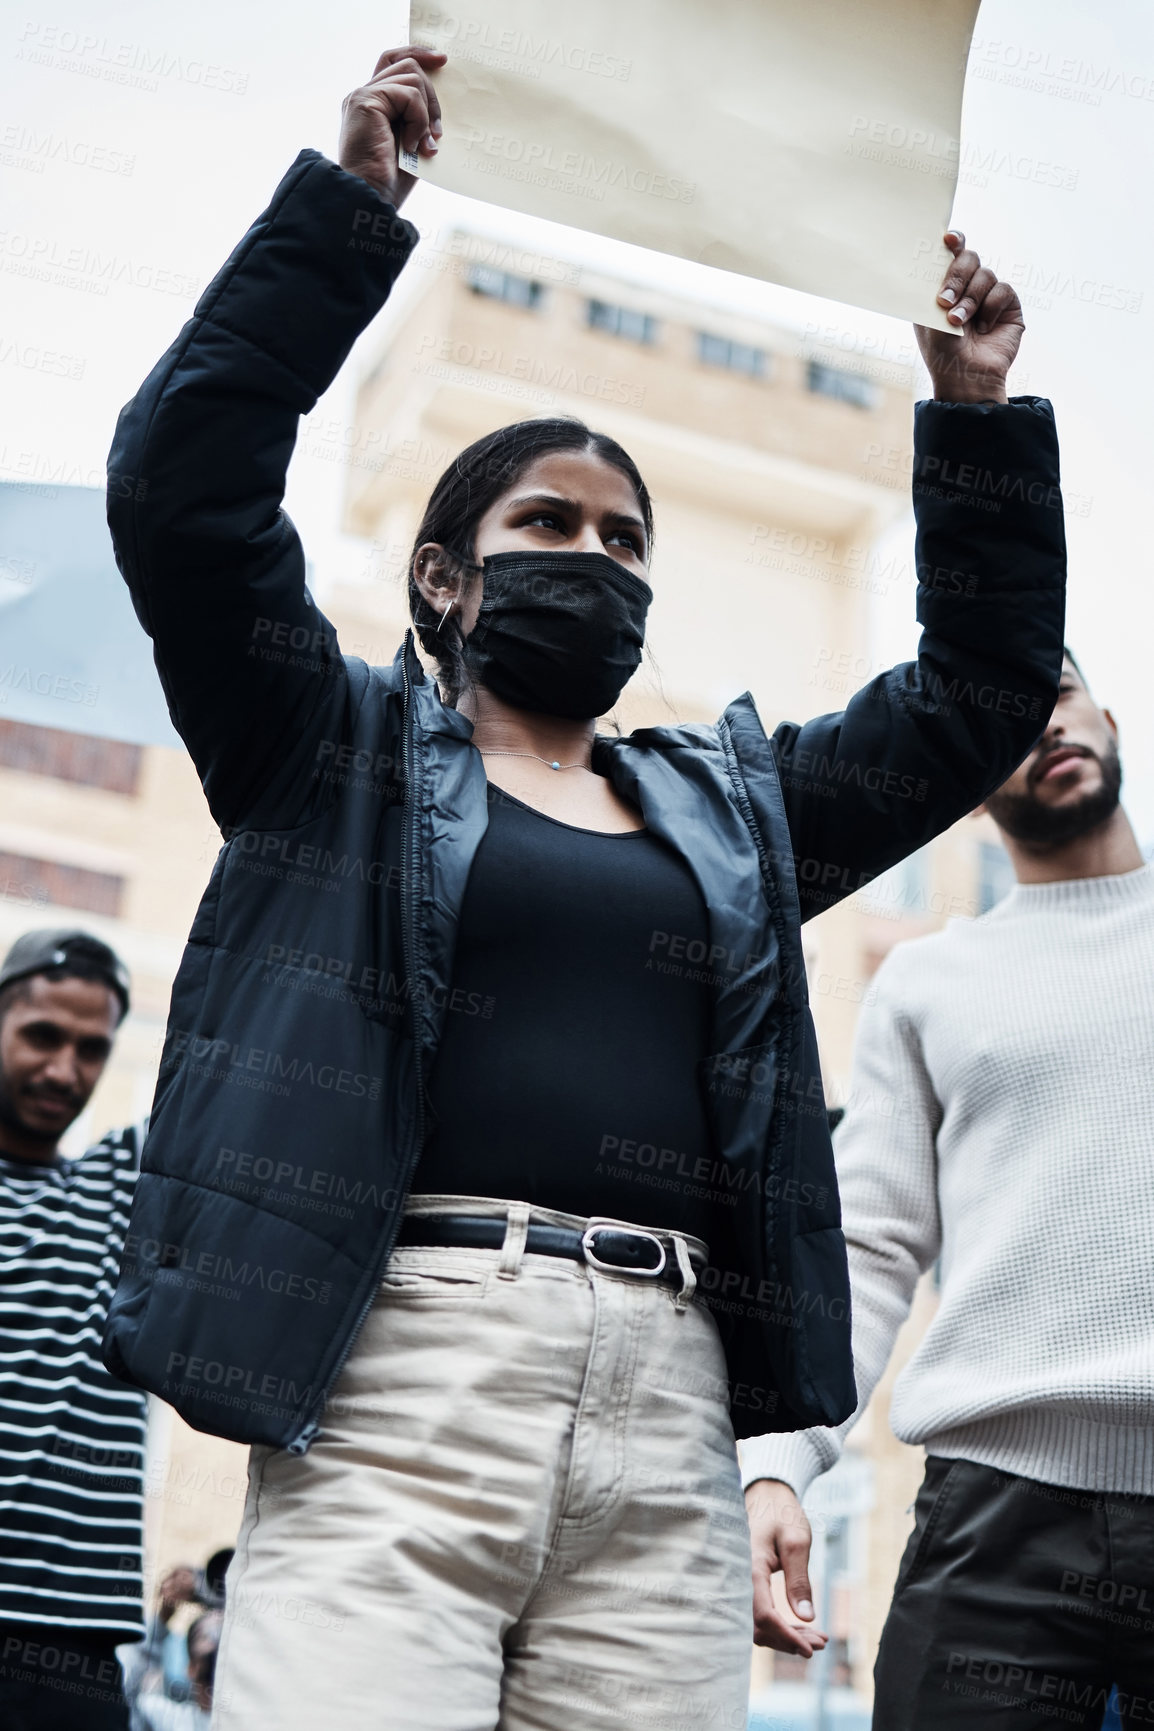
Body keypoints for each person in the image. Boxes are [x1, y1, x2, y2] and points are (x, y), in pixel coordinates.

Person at [102, 44, 1066, 1731]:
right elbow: (184, 492)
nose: (597, 557)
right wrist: (343, 217)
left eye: (627, 541)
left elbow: (972, 699)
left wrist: (973, 414)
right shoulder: (319, 751)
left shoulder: (734, 816)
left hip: (666, 1415)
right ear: (443, 577)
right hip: (399, 1377)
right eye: (549, 520)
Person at [744, 652, 1154, 1728]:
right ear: (968, 782)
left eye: (1053, 694)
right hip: (993, 1521)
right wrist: (778, 1462)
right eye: (1004, 717)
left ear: (1104, 716)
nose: (1042, 726)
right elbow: (868, 1244)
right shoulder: (925, 983)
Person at [0, 929, 143, 1731]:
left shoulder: (126, 1188)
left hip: (69, 1654)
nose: (64, 1070)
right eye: (42, 1035)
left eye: (92, 1048)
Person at [134, 1612, 221, 1731]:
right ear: (191, 1668)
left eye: (220, 1632)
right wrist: (162, 1618)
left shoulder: (249, 1718)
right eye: (206, 1635)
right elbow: (128, 1695)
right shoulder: (167, 1717)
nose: (215, 1639)